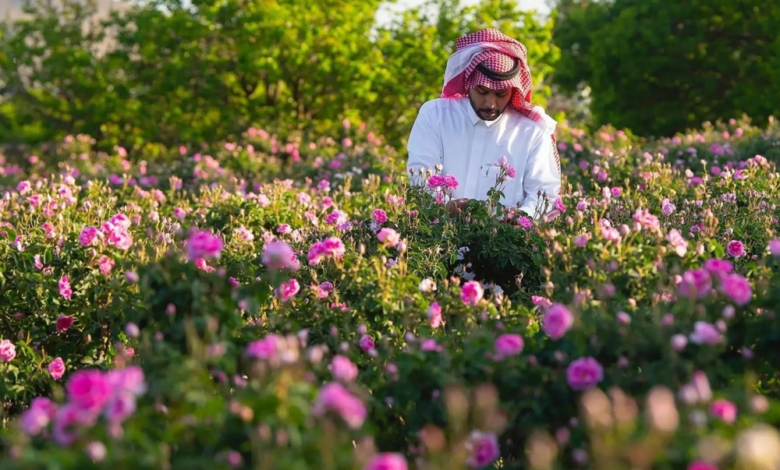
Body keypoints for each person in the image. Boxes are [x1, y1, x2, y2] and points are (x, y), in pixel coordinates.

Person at [406, 28, 562, 219]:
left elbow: (544, 192)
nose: (490, 103)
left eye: (500, 94)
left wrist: (520, 216)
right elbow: (421, 174)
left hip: (505, 244)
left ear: (513, 90)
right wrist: (444, 206)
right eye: (482, 92)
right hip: (439, 239)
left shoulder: (532, 132)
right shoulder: (435, 115)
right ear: (469, 82)